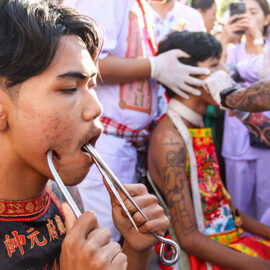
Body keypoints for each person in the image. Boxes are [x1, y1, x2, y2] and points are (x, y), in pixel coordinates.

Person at [0, 1, 169, 269]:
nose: (96, 108)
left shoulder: (64, 193)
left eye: (92, 85)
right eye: (69, 88)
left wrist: (135, 249)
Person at [64, 0, 210, 242]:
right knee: (102, 240)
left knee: (126, 237)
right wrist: (154, 66)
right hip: (105, 141)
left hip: (124, 145)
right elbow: (82, 61)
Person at [148, 31, 270, 270]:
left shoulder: (196, 124)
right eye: (215, 65)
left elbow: (217, 204)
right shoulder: (170, 139)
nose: (225, 72)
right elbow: (189, 239)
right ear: (187, 76)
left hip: (222, 242)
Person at [220, 0, 270, 225]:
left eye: (253, 12)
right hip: (236, 142)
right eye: (242, 12)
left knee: (267, 206)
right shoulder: (231, 52)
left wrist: (258, 39)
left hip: (266, 142)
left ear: (267, 18)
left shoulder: (266, 49)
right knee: (239, 210)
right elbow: (213, 77)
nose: (246, 17)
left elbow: (265, 76)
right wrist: (223, 39)